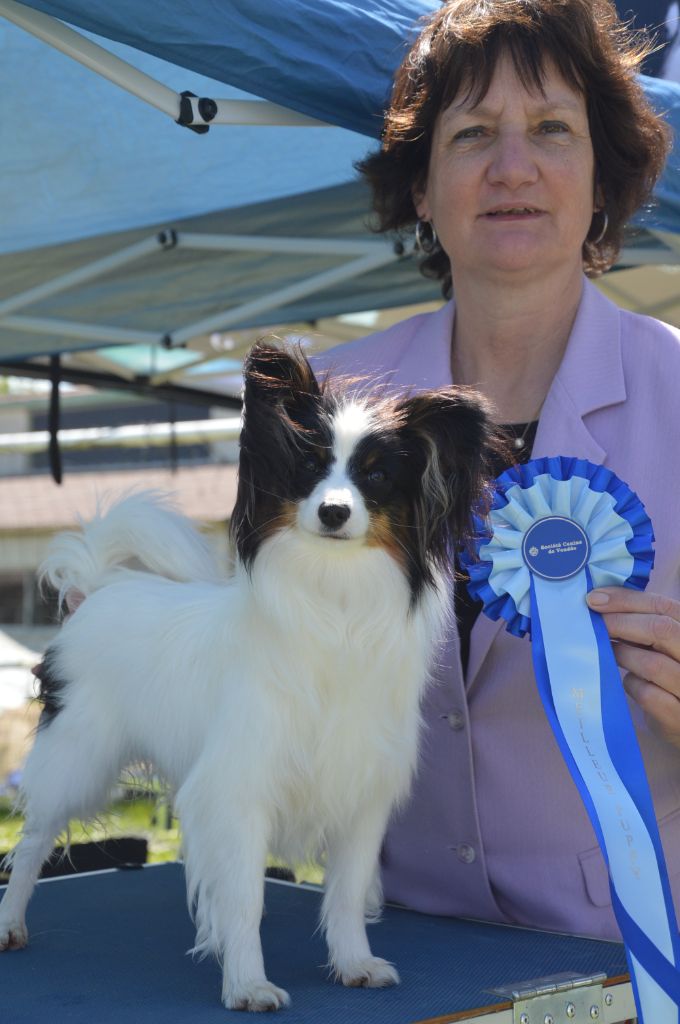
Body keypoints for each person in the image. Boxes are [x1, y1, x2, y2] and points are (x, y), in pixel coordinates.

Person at [313, 0, 680, 940]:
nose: (512, 167)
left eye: (552, 129)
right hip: (392, 950)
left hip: (630, 957)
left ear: (603, 176)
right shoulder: (328, 403)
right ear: (424, 188)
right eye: (472, 134)